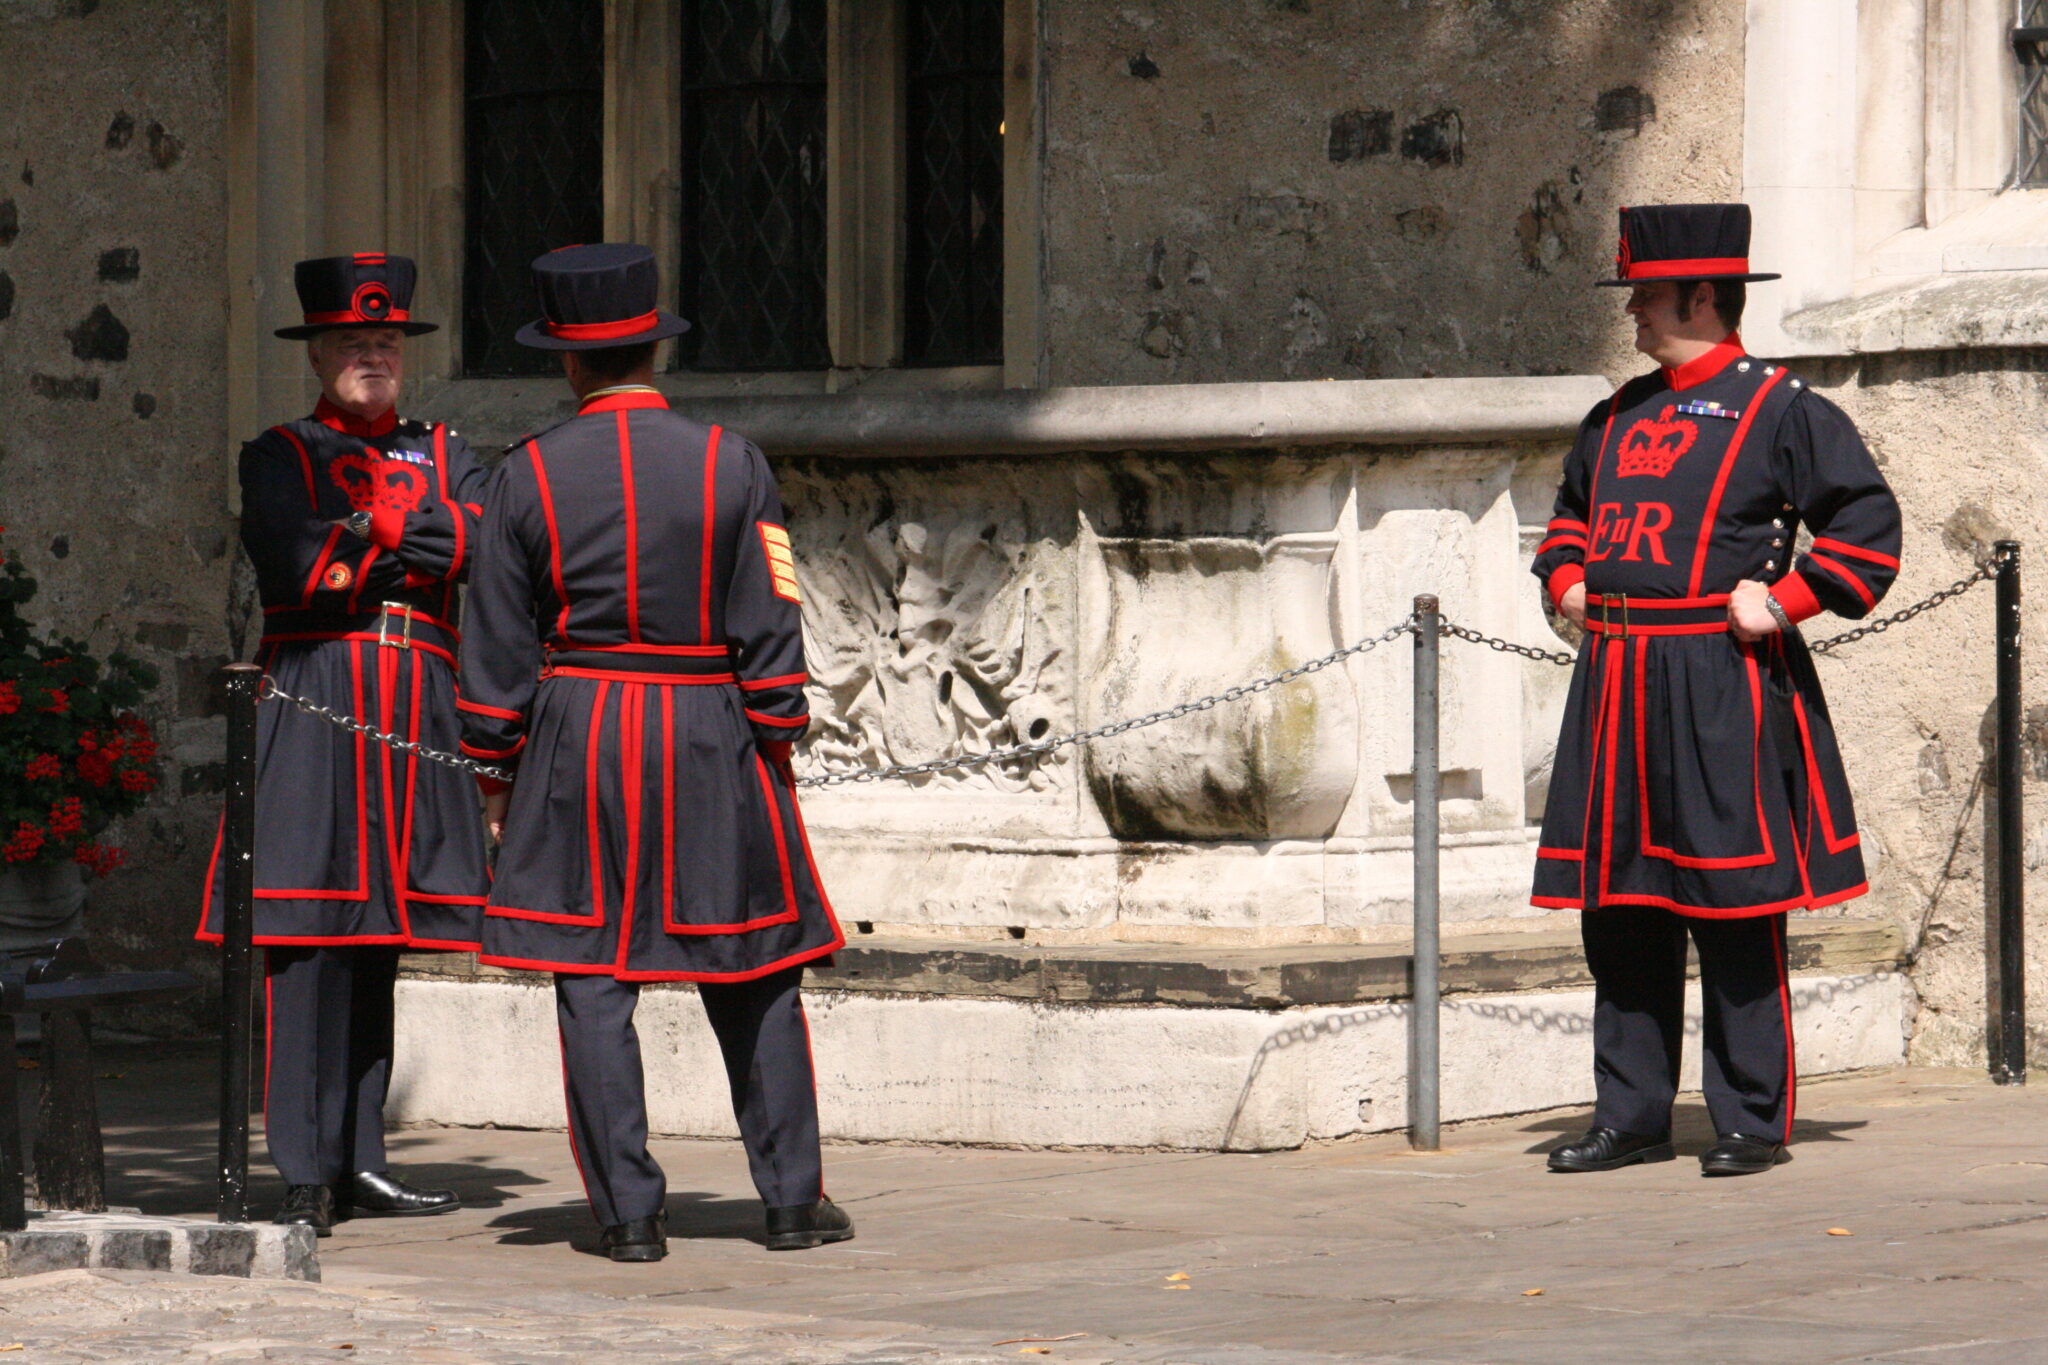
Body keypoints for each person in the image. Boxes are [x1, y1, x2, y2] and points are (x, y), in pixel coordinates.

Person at [458, 243, 850, 1262]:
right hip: (708, 730)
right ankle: (791, 1200)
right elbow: (771, 626)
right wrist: (778, 736)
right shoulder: (732, 462)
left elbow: (495, 649)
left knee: (591, 971)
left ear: (568, 362)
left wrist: (496, 772)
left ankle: (629, 1216)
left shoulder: (524, 475)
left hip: (579, 734)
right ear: (651, 346)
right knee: (756, 962)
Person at [1530, 204, 1902, 1177]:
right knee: (1619, 907)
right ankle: (1630, 1115)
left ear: (1700, 295)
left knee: (1732, 907)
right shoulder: (1614, 414)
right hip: (1613, 687)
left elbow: (1865, 532)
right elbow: (1568, 520)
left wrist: (1780, 601)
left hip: (1720, 687)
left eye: (1645, 298)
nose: (1633, 318)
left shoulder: (1784, 411)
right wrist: (1565, 582)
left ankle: (1747, 1120)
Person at [198, 254, 488, 1232]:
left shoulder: (447, 448)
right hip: (316, 700)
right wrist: (384, 527)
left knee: (377, 947)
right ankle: (303, 1169)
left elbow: (469, 547)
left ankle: (363, 1159)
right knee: (305, 945)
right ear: (318, 353)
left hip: (413, 716)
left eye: (386, 343)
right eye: (354, 344)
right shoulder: (276, 453)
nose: (373, 357)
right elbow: (293, 570)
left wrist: (363, 536)